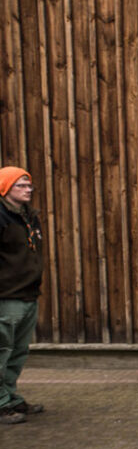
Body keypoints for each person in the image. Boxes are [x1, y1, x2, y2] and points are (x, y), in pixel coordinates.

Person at [0, 167, 45, 425]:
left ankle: (10, 396)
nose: (28, 190)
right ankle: (1, 403)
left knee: (18, 352)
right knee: (2, 351)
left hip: (28, 294)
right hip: (7, 297)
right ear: (6, 188)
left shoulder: (29, 217)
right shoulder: (2, 218)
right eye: (21, 186)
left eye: (29, 186)